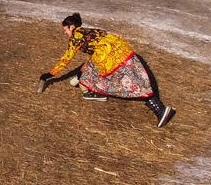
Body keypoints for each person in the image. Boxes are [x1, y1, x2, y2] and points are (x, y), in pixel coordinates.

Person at [40, 13, 174, 127]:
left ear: (72, 27)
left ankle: (159, 108)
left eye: (66, 30)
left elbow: (67, 58)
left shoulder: (76, 37)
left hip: (109, 57)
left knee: (126, 82)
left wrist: (51, 74)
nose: (66, 33)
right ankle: (158, 107)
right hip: (121, 48)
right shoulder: (89, 31)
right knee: (136, 78)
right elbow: (95, 51)